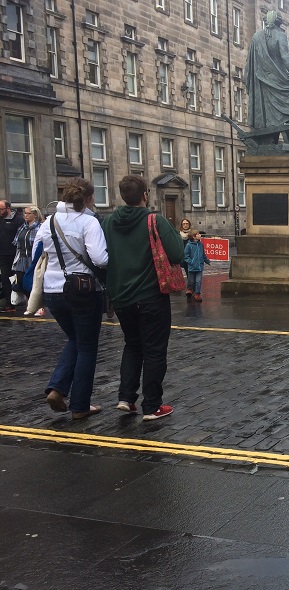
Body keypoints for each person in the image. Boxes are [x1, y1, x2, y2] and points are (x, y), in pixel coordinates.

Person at [102, 175, 183, 420]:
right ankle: (152, 406)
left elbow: (99, 256)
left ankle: (126, 398)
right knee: (155, 350)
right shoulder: (154, 220)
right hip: (151, 296)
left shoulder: (108, 222)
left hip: (122, 298)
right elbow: (177, 253)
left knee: (132, 345)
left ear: (122, 196)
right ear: (145, 195)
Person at [33, 178, 108, 419]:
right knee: (86, 347)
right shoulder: (89, 221)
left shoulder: (49, 221)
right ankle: (80, 405)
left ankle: (57, 388)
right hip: (83, 289)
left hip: (53, 290)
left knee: (75, 340)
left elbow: (39, 250)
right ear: (88, 198)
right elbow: (100, 259)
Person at [245, 10, 289, 147]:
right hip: (279, 81)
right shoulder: (280, 35)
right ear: (279, 23)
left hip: (262, 83)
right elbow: (286, 58)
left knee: (267, 116)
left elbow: (250, 63)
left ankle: (267, 141)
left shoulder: (256, 37)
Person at [11, 206, 43, 307]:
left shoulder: (40, 227)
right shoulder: (22, 227)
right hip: (21, 258)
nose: (25, 215)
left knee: (33, 283)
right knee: (20, 282)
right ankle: (29, 301)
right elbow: (17, 243)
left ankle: (36, 304)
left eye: (28, 213)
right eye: (25, 213)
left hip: (33, 258)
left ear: (35, 215)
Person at [0, 199, 24, 311]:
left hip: (15, 254)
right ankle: (9, 303)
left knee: (17, 278)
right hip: (3, 254)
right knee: (5, 278)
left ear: (8, 208)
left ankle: (21, 300)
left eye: (1, 209)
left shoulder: (18, 220)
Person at [184, 229, 211, 302]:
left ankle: (197, 294)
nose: (200, 235)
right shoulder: (189, 245)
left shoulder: (201, 244)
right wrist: (191, 262)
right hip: (192, 267)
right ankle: (189, 289)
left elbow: (203, 254)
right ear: (193, 236)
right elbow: (186, 256)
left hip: (199, 266)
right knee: (191, 281)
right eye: (198, 234)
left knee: (198, 281)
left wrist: (208, 261)